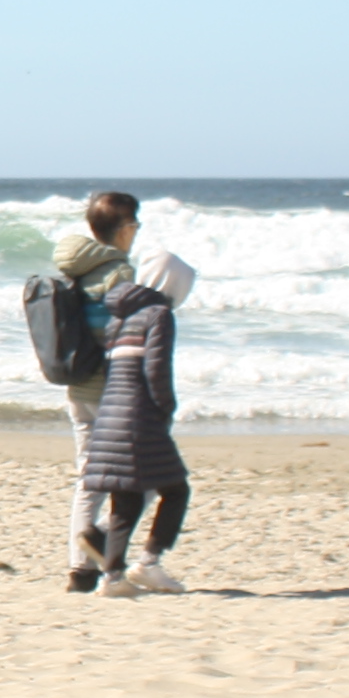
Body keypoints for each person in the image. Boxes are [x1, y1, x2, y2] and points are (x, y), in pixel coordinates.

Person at [81, 245, 201, 592]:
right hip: (141, 416)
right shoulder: (159, 315)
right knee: (176, 489)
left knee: (127, 497)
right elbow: (156, 371)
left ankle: (112, 577)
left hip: (111, 415)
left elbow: (113, 370)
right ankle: (149, 563)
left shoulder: (121, 318)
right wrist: (166, 409)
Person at [50, 190, 148, 591]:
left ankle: (80, 570)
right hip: (111, 391)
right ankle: (102, 545)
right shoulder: (118, 274)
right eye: (135, 226)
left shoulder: (74, 266)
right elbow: (125, 339)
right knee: (146, 478)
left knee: (89, 478)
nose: (136, 233)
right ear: (123, 230)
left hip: (78, 386)